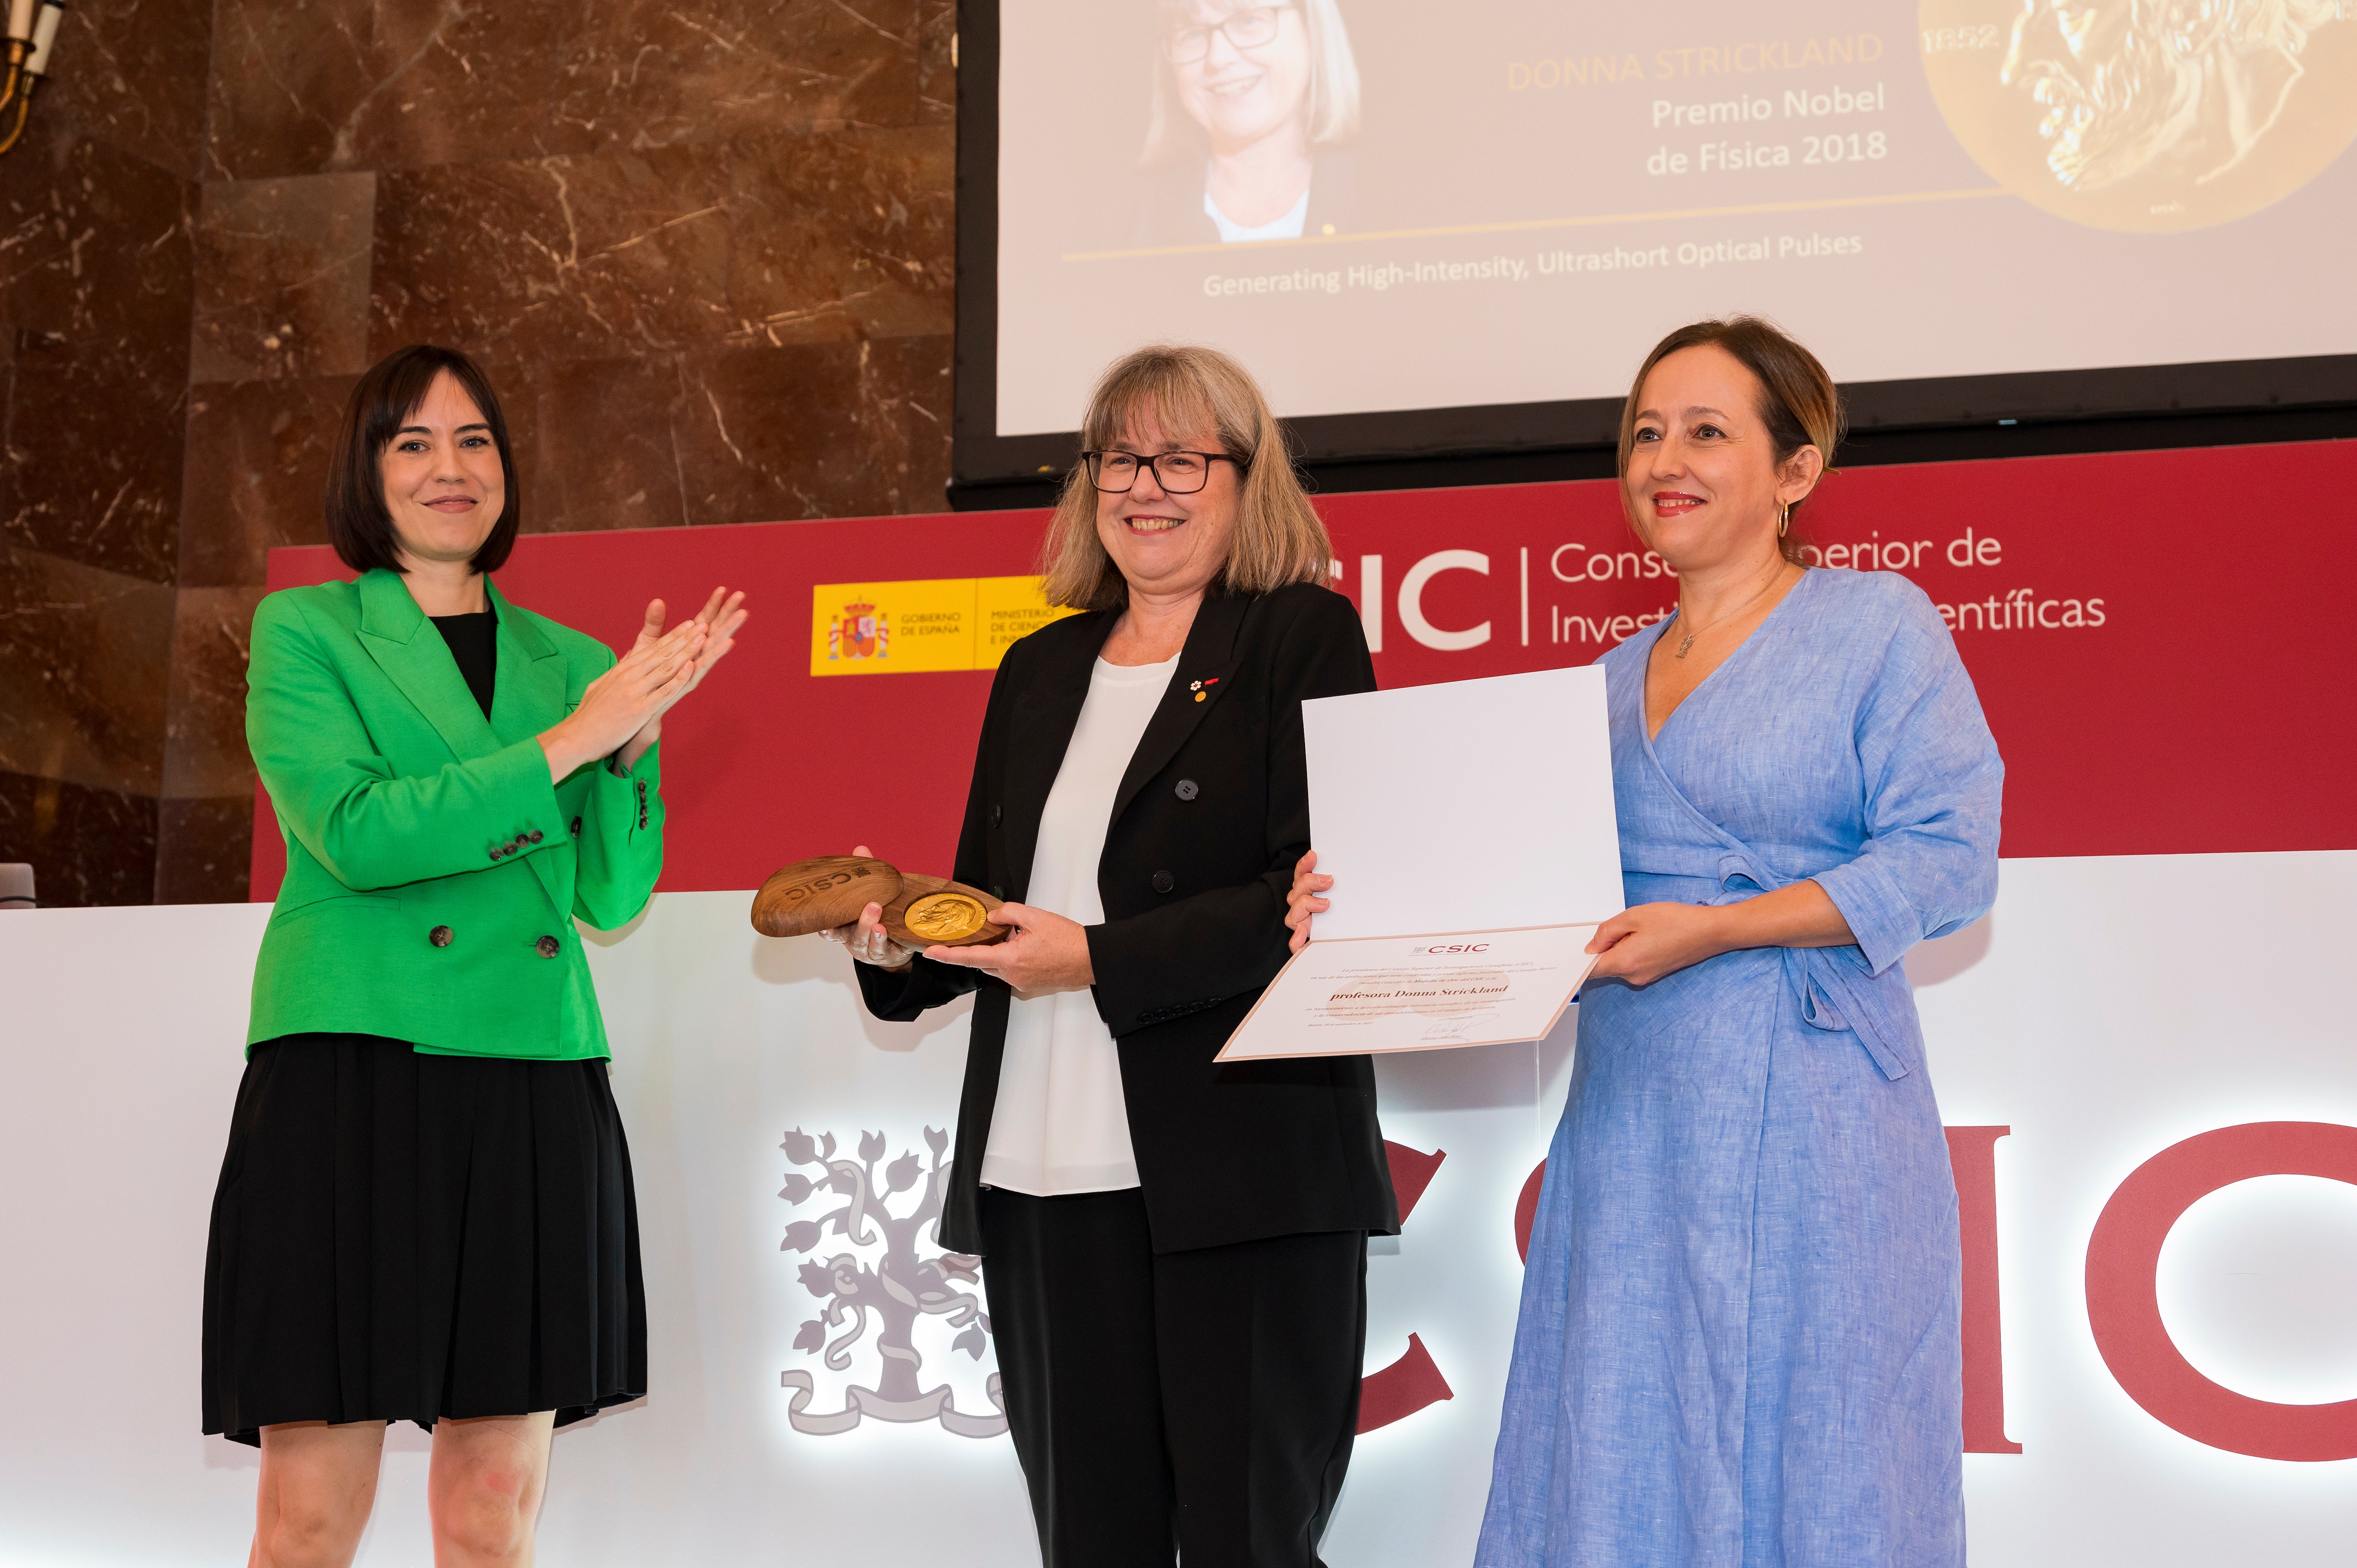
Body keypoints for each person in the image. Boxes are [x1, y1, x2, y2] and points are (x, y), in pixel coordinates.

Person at [1291, 318, 2002, 1566]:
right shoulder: (1605, 686)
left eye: (1708, 432)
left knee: (1830, 1433)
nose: (1664, 459)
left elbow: (1948, 859)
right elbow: (1522, 902)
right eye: (1647, 432)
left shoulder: (1878, 624)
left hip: (1820, 1110)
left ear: (1796, 470)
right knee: (1623, 1425)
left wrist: (1721, 927)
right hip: (1637, 1119)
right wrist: (1354, 915)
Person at [825, 344, 1398, 1567]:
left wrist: (1100, 957)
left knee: (1250, 1542)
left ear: (1249, 482)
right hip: (1045, 1175)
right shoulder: (1038, 668)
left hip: (1242, 1169)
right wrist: (895, 941)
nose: (1149, 484)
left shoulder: (1300, 635)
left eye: (1184, 456)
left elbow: (1316, 897)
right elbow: (991, 904)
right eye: (1121, 457)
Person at [202, 344, 748, 1568]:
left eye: (476, 441)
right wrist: (570, 741)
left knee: (494, 1514)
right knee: (305, 1519)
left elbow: (609, 896)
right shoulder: (307, 630)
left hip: (530, 1081)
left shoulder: (571, 659)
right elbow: (352, 835)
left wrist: (629, 750)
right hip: (351, 1073)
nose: (451, 468)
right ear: (367, 472)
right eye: (414, 444)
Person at [1134, 0, 1363, 245]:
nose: (1219, 58)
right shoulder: (1128, 219)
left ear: (1313, 30)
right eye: (1192, 35)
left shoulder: (1394, 195)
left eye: (1249, 21)